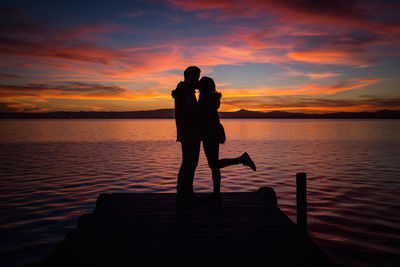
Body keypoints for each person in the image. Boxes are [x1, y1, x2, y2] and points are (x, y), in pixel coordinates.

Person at [198, 76, 256, 198]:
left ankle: (241, 159)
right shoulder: (211, 98)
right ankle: (216, 192)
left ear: (205, 86)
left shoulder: (206, 99)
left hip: (209, 134)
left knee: (214, 165)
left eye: (201, 83)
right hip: (211, 133)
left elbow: (207, 118)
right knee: (214, 165)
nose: (198, 85)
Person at [171, 66, 201, 201]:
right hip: (190, 132)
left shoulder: (184, 91)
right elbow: (193, 112)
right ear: (190, 77)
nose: (198, 80)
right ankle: (185, 193)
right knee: (190, 162)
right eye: (197, 77)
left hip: (187, 131)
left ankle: (185, 192)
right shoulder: (185, 91)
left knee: (189, 162)